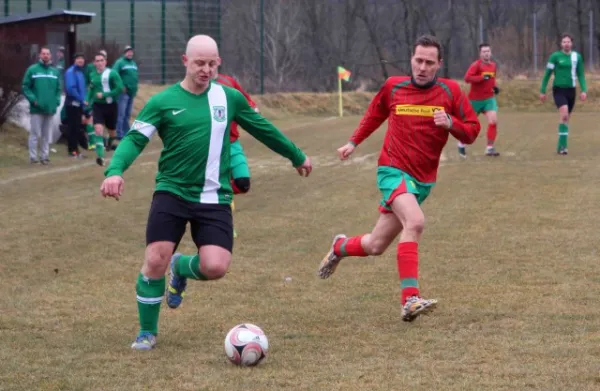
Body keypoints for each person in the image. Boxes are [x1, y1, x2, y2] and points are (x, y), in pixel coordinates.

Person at [100, 35, 312, 351]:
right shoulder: (162, 101)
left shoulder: (229, 98)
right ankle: (147, 332)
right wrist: (114, 171)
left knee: (216, 267)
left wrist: (296, 155)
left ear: (218, 63)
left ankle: (181, 266)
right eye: (200, 63)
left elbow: (263, 128)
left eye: (212, 63)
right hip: (172, 192)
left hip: (214, 197)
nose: (206, 69)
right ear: (185, 61)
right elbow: (133, 140)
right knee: (156, 257)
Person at [317, 35, 480, 322]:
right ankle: (410, 300)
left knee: (375, 245)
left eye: (430, 62)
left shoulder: (451, 91)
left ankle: (339, 246)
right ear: (411, 59)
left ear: (439, 64)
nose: (423, 67)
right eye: (418, 60)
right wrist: (353, 142)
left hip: (422, 180)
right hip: (392, 170)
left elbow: (472, 130)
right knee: (415, 222)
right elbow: (374, 115)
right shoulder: (394, 87)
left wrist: (451, 123)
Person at [214, 73, 259, 238]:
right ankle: (224, 224)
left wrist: (253, 109)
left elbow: (247, 101)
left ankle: (216, 194)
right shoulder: (196, 86)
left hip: (232, 143)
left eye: (212, 62)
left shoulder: (228, 81)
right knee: (222, 188)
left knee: (242, 183)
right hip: (210, 145)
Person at [539, 33, 587, 155]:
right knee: (564, 115)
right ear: (561, 44)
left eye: (568, 42)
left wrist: (584, 90)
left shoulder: (577, 57)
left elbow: (581, 74)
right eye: (564, 42)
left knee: (566, 119)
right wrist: (543, 90)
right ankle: (563, 147)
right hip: (559, 90)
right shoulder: (555, 56)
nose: (566, 44)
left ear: (572, 43)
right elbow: (547, 74)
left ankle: (561, 145)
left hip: (571, 90)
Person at [459, 43, 500, 158]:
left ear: (490, 52)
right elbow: (467, 78)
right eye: (484, 51)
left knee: (493, 121)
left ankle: (489, 148)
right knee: (469, 126)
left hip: (489, 99)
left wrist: (495, 87)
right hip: (475, 101)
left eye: (488, 51)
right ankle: (461, 144)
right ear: (480, 54)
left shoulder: (493, 65)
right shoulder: (476, 65)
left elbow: (492, 79)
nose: (486, 53)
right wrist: (481, 78)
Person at [22, 46, 61, 165]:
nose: (45, 55)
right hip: (36, 109)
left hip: (50, 109)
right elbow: (25, 86)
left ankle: (44, 157)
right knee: (34, 134)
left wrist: (57, 101)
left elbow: (58, 89)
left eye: (48, 54)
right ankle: (33, 158)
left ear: (50, 56)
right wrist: (33, 99)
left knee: (46, 135)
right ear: (40, 55)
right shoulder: (32, 70)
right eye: (43, 54)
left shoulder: (55, 72)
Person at [87, 52, 124, 165]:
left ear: (105, 62)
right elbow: (91, 89)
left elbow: (119, 89)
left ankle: (110, 143)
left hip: (111, 106)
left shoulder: (112, 74)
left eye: (101, 60)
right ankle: (100, 157)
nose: (99, 63)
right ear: (94, 63)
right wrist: (87, 99)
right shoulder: (92, 75)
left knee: (112, 131)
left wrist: (104, 94)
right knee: (98, 130)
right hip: (98, 106)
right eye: (97, 61)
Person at [64, 52, 92, 158]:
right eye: (78, 59)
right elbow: (71, 88)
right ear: (74, 60)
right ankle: (72, 151)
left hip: (78, 104)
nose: (81, 60)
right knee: (73, 128)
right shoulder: (71, 71)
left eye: (82, 59)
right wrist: (81, 100)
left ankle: (76, 149)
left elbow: (82, 89)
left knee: (77, 128)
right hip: (72, 103)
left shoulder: (80, 72)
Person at [113, 45, 139, 140]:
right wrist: (121, 86)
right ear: (125, 53)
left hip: (131, 92)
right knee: (121, 114)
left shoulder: (133, 63)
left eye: (131, 51)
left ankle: (126, 132)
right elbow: (114, 75)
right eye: (128, 51)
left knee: (127, 114)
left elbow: (134, 77)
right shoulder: (120, 62)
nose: (130, 53)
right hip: (123, 93)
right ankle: (119, 134)